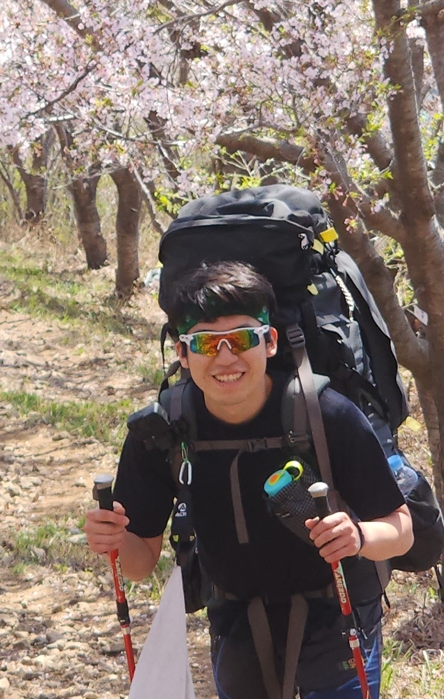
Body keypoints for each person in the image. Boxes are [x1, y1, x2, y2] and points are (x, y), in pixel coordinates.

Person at [84, 262, 412, 699]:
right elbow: (140, 562)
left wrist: (357, 536)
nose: (225, 357)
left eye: (241, 339)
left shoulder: (326, 414)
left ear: (270, 342)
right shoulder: (162, 433)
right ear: (182, 354)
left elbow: (401, 529)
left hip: (338, 611)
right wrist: (112, 537)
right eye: (204, 343)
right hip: (235, 617)